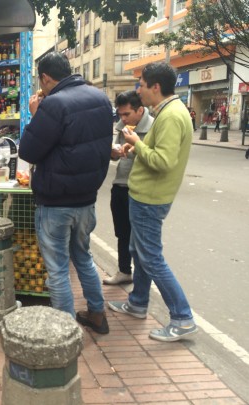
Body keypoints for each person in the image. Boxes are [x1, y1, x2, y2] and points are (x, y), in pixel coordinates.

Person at [18, 52, 113, 334]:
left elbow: (29, 151)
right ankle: (97, 314)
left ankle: (66, 331)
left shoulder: (54, 104)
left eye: (41, 81)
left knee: (58, 269)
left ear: (46, 78)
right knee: (83, 257)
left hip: (56, 201)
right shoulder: (100, 98)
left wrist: (35, 115)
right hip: (87, 199)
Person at [108, 62, 197, 342]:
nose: (139, 90)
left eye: (142, 84)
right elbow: (157, 153)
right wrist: (136, 147)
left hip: (150, 198)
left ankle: (182, 317)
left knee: (151, 258)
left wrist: (137, 141)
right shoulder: (168, 112)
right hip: (144, 195)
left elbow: (163, 161)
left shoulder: (171, 116)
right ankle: (138, 302)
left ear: (155, 87)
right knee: (139, 250)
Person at [103, 91, 154, 286]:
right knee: (122, 233)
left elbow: (156, 160)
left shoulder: (153, 127)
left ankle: (142, 286)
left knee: (140, 240)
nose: (123, 119)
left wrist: (136, 144)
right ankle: (124, 270)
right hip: (120, 185)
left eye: (127, 114)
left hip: (140, 190)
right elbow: (115, 154)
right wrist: (114, 152)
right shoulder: (122, 127)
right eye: (120, 115)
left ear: (140, 110)